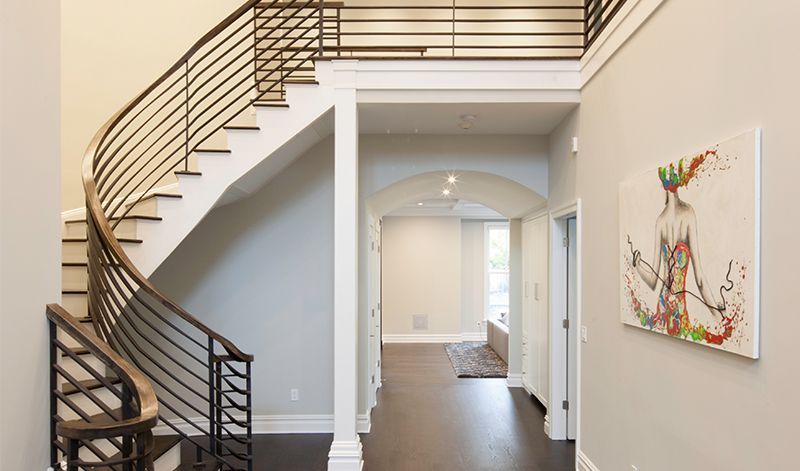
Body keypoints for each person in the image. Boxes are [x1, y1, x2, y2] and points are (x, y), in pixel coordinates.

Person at [630, 151, 726, 339]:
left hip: (664, 307)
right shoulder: (688, 214)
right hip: (679, 310)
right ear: (680, 181)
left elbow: (652, 281)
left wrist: (638, 265)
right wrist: (718, 317)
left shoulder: (660, 222)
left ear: (663, 185)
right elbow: (699, 279)